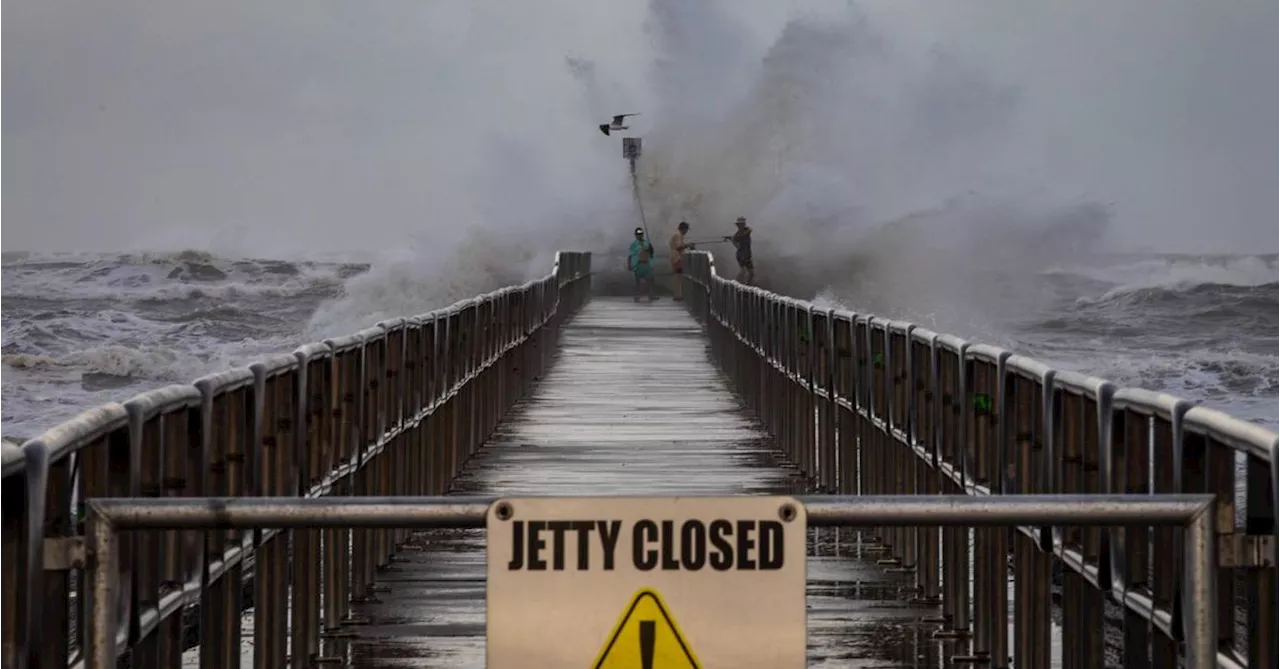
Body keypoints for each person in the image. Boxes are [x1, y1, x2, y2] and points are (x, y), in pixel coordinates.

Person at [627, 226, 657, 301]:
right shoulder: (634, 244)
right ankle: (637, 294)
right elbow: (630, 255)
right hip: (638, 264)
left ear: (642, 234)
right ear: (635, 235)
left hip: (646, 263)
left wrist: (650, 249)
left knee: (650, 279)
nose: (639, 235)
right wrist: (629, 265)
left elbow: (651, 254)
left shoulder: (647, 243)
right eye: (638, 234)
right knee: (638, 280)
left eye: (641, 233)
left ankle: (651, 294)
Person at [668, 221, 695, 300]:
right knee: (679, 276)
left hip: (676, 257)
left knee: (678, 276)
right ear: (683, 229)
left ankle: (678, 294)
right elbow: (678, 247)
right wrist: (688, 245)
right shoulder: (678, 235)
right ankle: (678, 295)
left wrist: (687, 245)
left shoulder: (677, 234)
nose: (686, 232)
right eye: (686, 230)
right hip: (677, 257)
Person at [724, 216, 755, 285]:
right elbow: (737, 246)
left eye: (742, 224)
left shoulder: (745, 231)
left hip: (747, 254)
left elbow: (749, 230)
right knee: (743, 271)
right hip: (741, 254)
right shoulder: (737, 235)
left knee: (751, 273)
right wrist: (733, 240)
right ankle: (735, 284)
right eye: (740, 224)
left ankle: (748, 284)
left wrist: (733, 239)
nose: (741, 225)